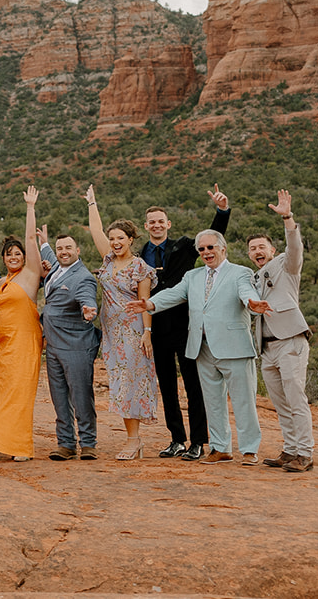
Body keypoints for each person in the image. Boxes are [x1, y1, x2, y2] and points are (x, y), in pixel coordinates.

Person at [129, 229, 263, 465]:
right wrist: (150, 303)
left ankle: (250, 450)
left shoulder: (240, 272)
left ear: (223, 248)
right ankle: (221, 448)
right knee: (212, 402)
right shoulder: (193, 276)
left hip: (234, 347)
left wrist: (252, 302)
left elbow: (246, 291)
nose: (206, 253)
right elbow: (174, 294)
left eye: (211, 247)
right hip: (202, 348)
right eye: (202, 249)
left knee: (243, 401)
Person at [138, 188, 231, 460]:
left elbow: (212, 237)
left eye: (160, 221)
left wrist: (221, 211)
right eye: (151, 221)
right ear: (146, 226)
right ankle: (177, 439)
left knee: (193, 384)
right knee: (166, 386)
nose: (156, 225)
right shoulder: (141, 253)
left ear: (168, 224)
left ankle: (198, 442)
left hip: (186, 325)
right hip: (156, 327)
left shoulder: (184, 246)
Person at [85, 185, 158, 460]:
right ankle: (132, 439)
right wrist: (92, 203)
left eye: (120, 238)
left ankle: (133, 440)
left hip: (133, 332)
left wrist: (147, 333)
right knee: (118, 383)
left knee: (131, 384)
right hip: (111, 333)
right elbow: (95, 232)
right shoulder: (108, 260)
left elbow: (145, 303)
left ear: (131, 239)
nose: (115, 242)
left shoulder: (140, 267)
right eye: (112, 238)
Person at [248, 189, 313, 473]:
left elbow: (295, 249)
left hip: (290, 341)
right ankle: (290, 450)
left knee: (296, 397)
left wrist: (288, 217)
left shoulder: (285, 266)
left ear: (272, 249)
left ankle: (306, 453)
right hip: (267, 348)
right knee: (280, 402)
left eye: (262, 246)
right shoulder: (253, 278)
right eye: (253, 248)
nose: (258, 252)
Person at [0, 187, 44, 461]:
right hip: (3, 344)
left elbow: (31, 238)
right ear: (4, 259)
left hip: (25, 342)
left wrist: (30, 207)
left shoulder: (31, 275)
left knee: (20, 394)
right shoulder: (1, 282)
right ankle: (0, 444)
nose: (14, 257)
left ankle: (20, 448)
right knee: (0, 394)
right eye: (9, 254)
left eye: (17, 253)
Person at [39, 227, 101, 461]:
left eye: (68, 248)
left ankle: (88, 443)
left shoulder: (83, 277)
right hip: (53, 346)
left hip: (76, 345)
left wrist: (88, 310)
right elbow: (49, 256)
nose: (63, 252)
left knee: (81, 395)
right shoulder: (56, 268)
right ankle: (65, 444)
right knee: (59, 396)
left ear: (78, 250)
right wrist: (44, 243)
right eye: (59, 249)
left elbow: (86, 296)